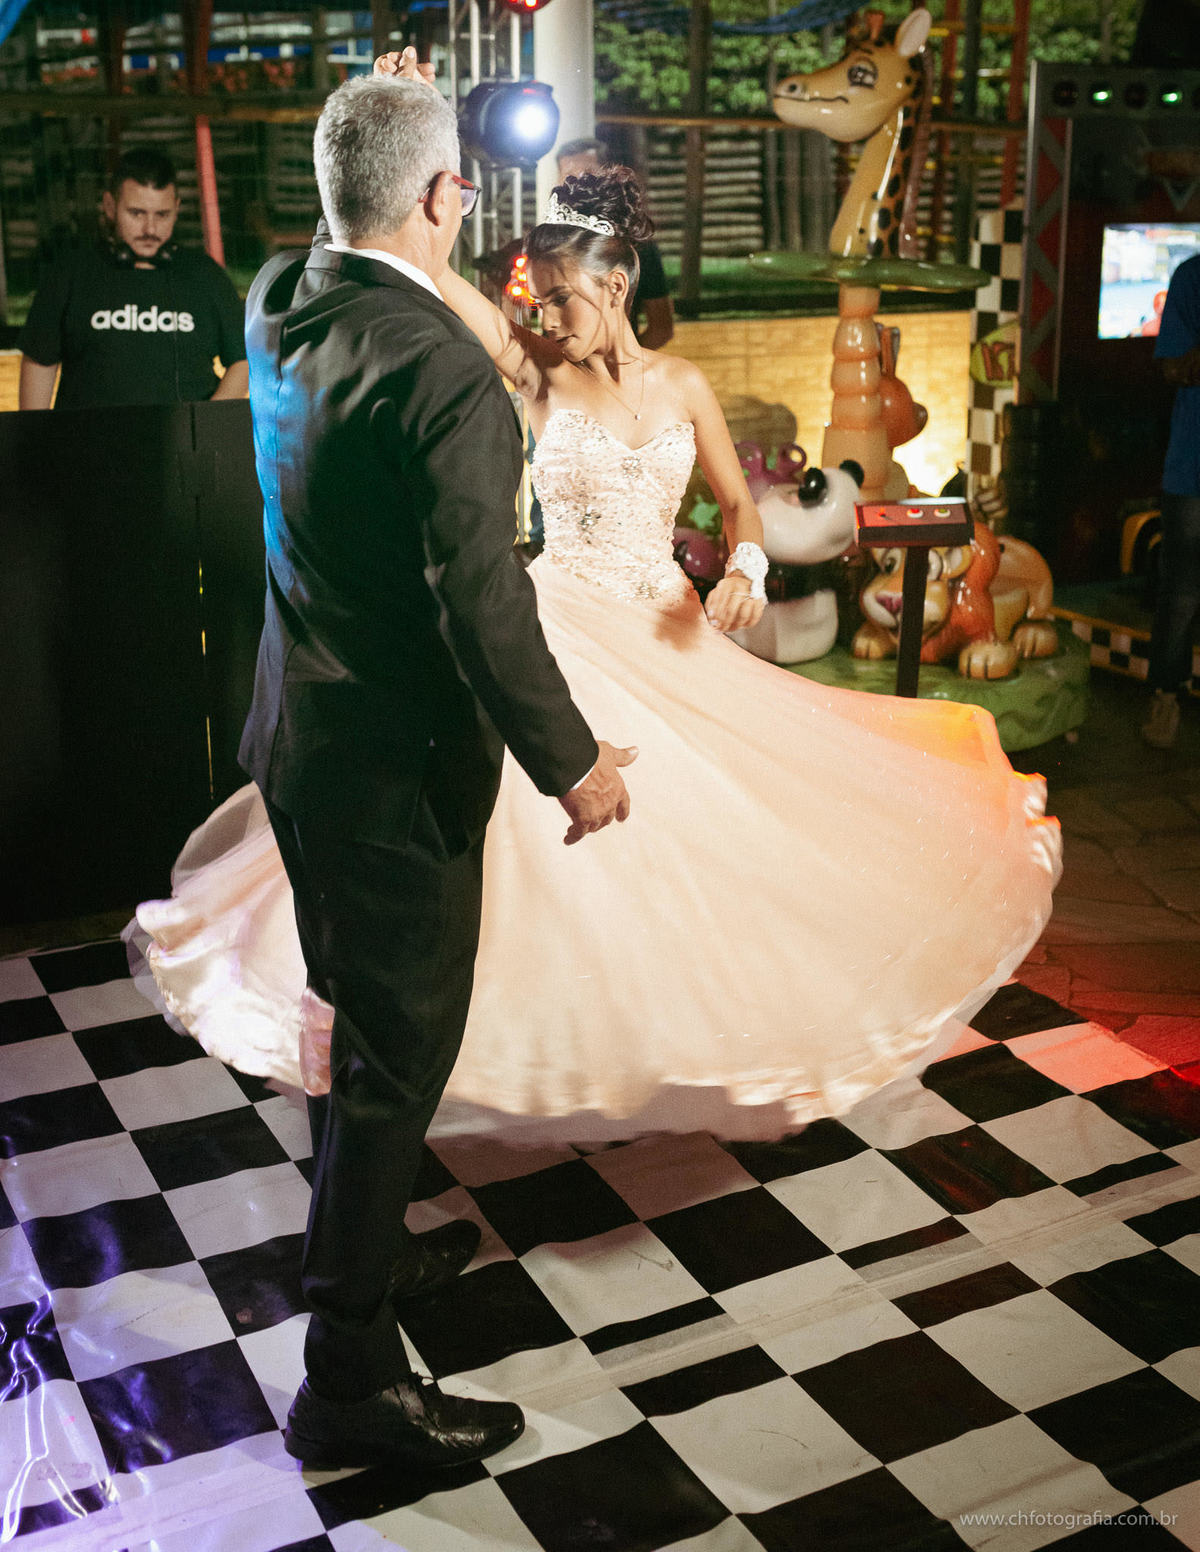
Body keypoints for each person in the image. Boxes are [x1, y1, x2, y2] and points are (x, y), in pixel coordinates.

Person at [152, 72, 637, 1474]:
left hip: (300, 747)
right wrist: (574, 765)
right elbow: (484, 602)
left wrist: (387, 131)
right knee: (390, 1065)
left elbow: (370, 249)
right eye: (455, 188)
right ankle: (349, 1381)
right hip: (391, 780)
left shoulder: (281, 296)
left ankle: (357, 1256)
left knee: (364, 1033)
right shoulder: (442, 372)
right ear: (442, 199)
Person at [17, 147, 248, 411]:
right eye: (137, 213)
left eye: (162, 215)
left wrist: (207, 423)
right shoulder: (72, 272)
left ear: (176, 209)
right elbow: (39, 360)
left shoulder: (205, 275)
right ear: (109, 206)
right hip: (86, 445)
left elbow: (243, 361)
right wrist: (33, 441)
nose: (150, 229)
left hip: (182, 447)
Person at [1142, 253, 1200, 749]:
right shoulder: (1192, 277)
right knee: (1181, 592)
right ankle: (1166, 697)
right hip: (1192, 468)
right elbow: (1173, 368)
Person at [556, 136, 674, 350]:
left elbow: (662, 327)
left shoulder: (638, 247)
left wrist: (624, 369)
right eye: (569, 177)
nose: (578, 184)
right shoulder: (549, 246)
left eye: (587, 175)